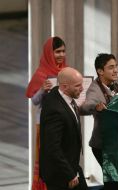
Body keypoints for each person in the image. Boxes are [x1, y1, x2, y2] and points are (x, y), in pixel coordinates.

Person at [79, 53, 118, 190]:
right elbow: (85, 106)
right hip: (102, 146)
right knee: (117, 184)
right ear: (100, 71)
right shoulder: (94, 89)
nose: (116, 70)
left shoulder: (116, 84)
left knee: (114, 184)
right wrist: (95, 107)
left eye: (116, 66)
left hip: (116, 144)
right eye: (111, 67)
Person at [26, 36, 67, 190]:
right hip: (45, 124)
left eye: (63, 51)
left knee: (64, 156)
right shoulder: (41, 73)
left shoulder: (67, 71)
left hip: (65, 122)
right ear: (49, 53)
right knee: (48, 160)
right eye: (57, 52)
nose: (61, 55)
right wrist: (43, 89)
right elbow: (35, 101)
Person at [39, 67, 88, 190]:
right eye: (78, 86)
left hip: (72, 166)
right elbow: (52, 147)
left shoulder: (60, 93)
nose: (82, 89)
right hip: (60, 174)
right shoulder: (54, 109)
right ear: (65, 87)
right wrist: (70, 175)